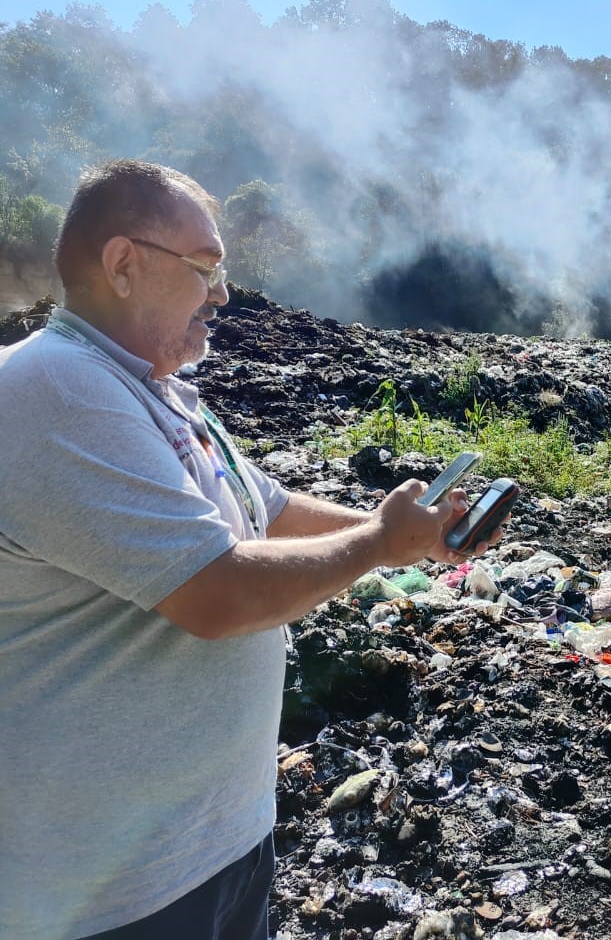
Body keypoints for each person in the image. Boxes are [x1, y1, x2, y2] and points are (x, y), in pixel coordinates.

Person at [0, 159, 500, 939]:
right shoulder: (55, 386)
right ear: (123, 265)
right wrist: (375, 542)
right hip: (110, 892)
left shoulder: (155, 389)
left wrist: (412, 536)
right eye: (204, 268)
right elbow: (215, 592)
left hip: (221, 843)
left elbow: (263, 508)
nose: (223, 294)